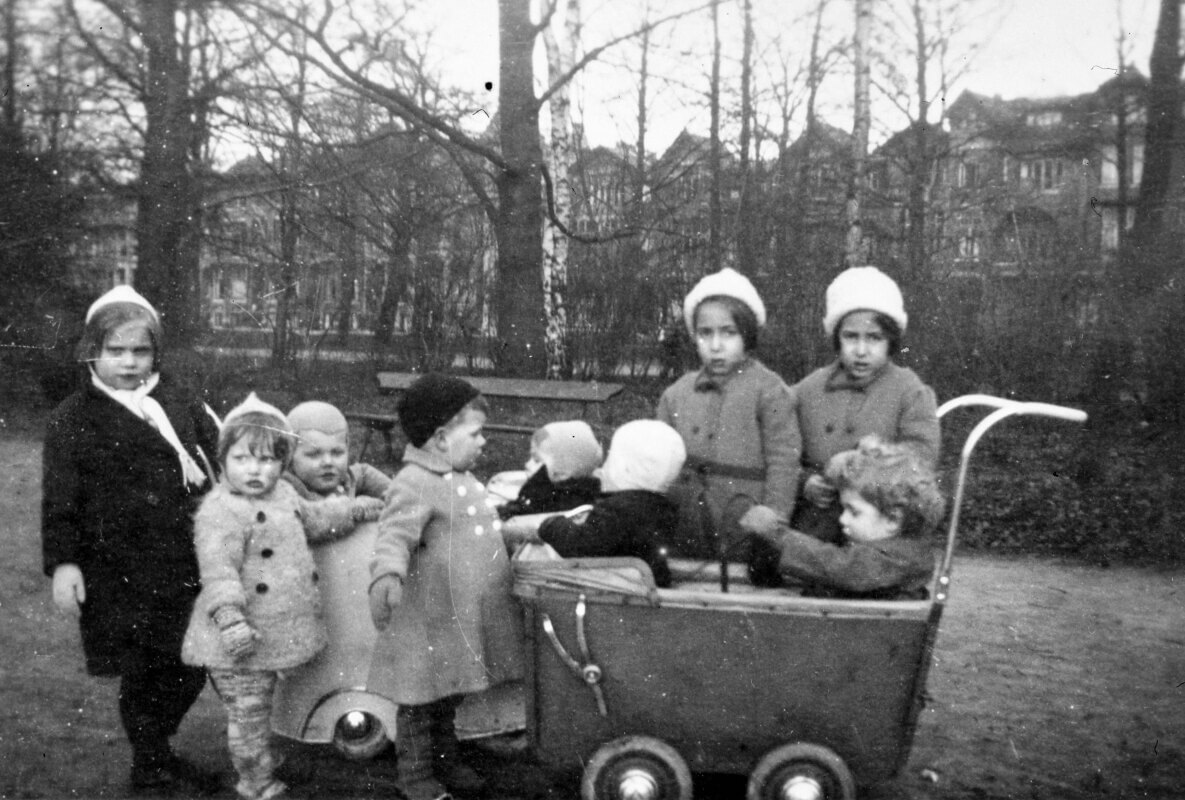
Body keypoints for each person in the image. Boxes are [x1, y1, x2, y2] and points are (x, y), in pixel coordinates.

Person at [40, 285, 223, 796]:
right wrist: (64, 564)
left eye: (140, 351)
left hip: (185, 560)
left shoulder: (179, 401)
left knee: (189, 665)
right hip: (118, 569)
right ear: (92, 351)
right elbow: (60, 501)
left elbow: (217, 456)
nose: (128, 362)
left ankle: (158, 750)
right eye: (114, 351)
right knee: (144, 670)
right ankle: (150, 763)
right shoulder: (75, 417)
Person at [181, 394, 383, 800]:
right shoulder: (219, 512)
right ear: (223, 461)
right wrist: (229, 619)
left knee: (260, 706)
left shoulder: (284, 496)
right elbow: (218, 572)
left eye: (268, 460)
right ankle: (255, 782)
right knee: (248, 713)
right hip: (238, 636)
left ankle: (261, 762)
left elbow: (320, 519)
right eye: (243, 459)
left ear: (282, 462)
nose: (256, 470)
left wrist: (358, 508)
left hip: (272, 627)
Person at [367, 374, 525, 800]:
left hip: (458, 619)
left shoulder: (461, 476)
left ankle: (446, 762)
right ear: (440, 438)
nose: (483, 442)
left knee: (447, 697)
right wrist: (387, 574)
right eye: (475, 433)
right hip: (427, 619)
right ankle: (416, 776)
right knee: (419, 702)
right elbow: (394, 535)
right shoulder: (415, 481)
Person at [788, 266, 940, 549]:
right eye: (851, 337)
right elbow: (781, 446)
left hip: (880, 525)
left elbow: (922, 457)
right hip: (817, 520)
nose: (861, 350)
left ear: (891, 341)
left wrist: (861, 465)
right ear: (837, 338)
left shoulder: (909, 390)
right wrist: (804, 481)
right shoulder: (809, 389)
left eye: (874, 338)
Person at [656, 267, 800, 561]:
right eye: (705, 334)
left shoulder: (769, 390)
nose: (716, 346)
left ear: (747, 335)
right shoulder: (676, 394)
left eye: (729, 333)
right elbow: (659, 461)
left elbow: (783, 460)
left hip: (744, 519)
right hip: (687, 520)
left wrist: (773, 520)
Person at [742, 436, 945, 600]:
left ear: (892, 520)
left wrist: (778, 535)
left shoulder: (897, 558)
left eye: (854, 511)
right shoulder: (887, 552)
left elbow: (838, 565)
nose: (843, 520)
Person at [534, 419, 685, 588]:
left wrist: (552, 525)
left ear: (626, 466)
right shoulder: (661, 505)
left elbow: (580, 544)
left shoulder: (619, 509)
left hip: (624, 591)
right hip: (648, 582)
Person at [282, 400, 391, 500]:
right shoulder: (286, 492)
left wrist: (398, 494)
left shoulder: (345, 478)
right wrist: (362, 507)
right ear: (289, 456)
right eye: (314, 454)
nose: (328, 462)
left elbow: (363, 473)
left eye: (337, 453)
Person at [495, 420, 603, 519]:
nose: (527, 464)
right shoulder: (582, 494)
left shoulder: (552, 501)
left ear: (563, 471)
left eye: (537, 460)